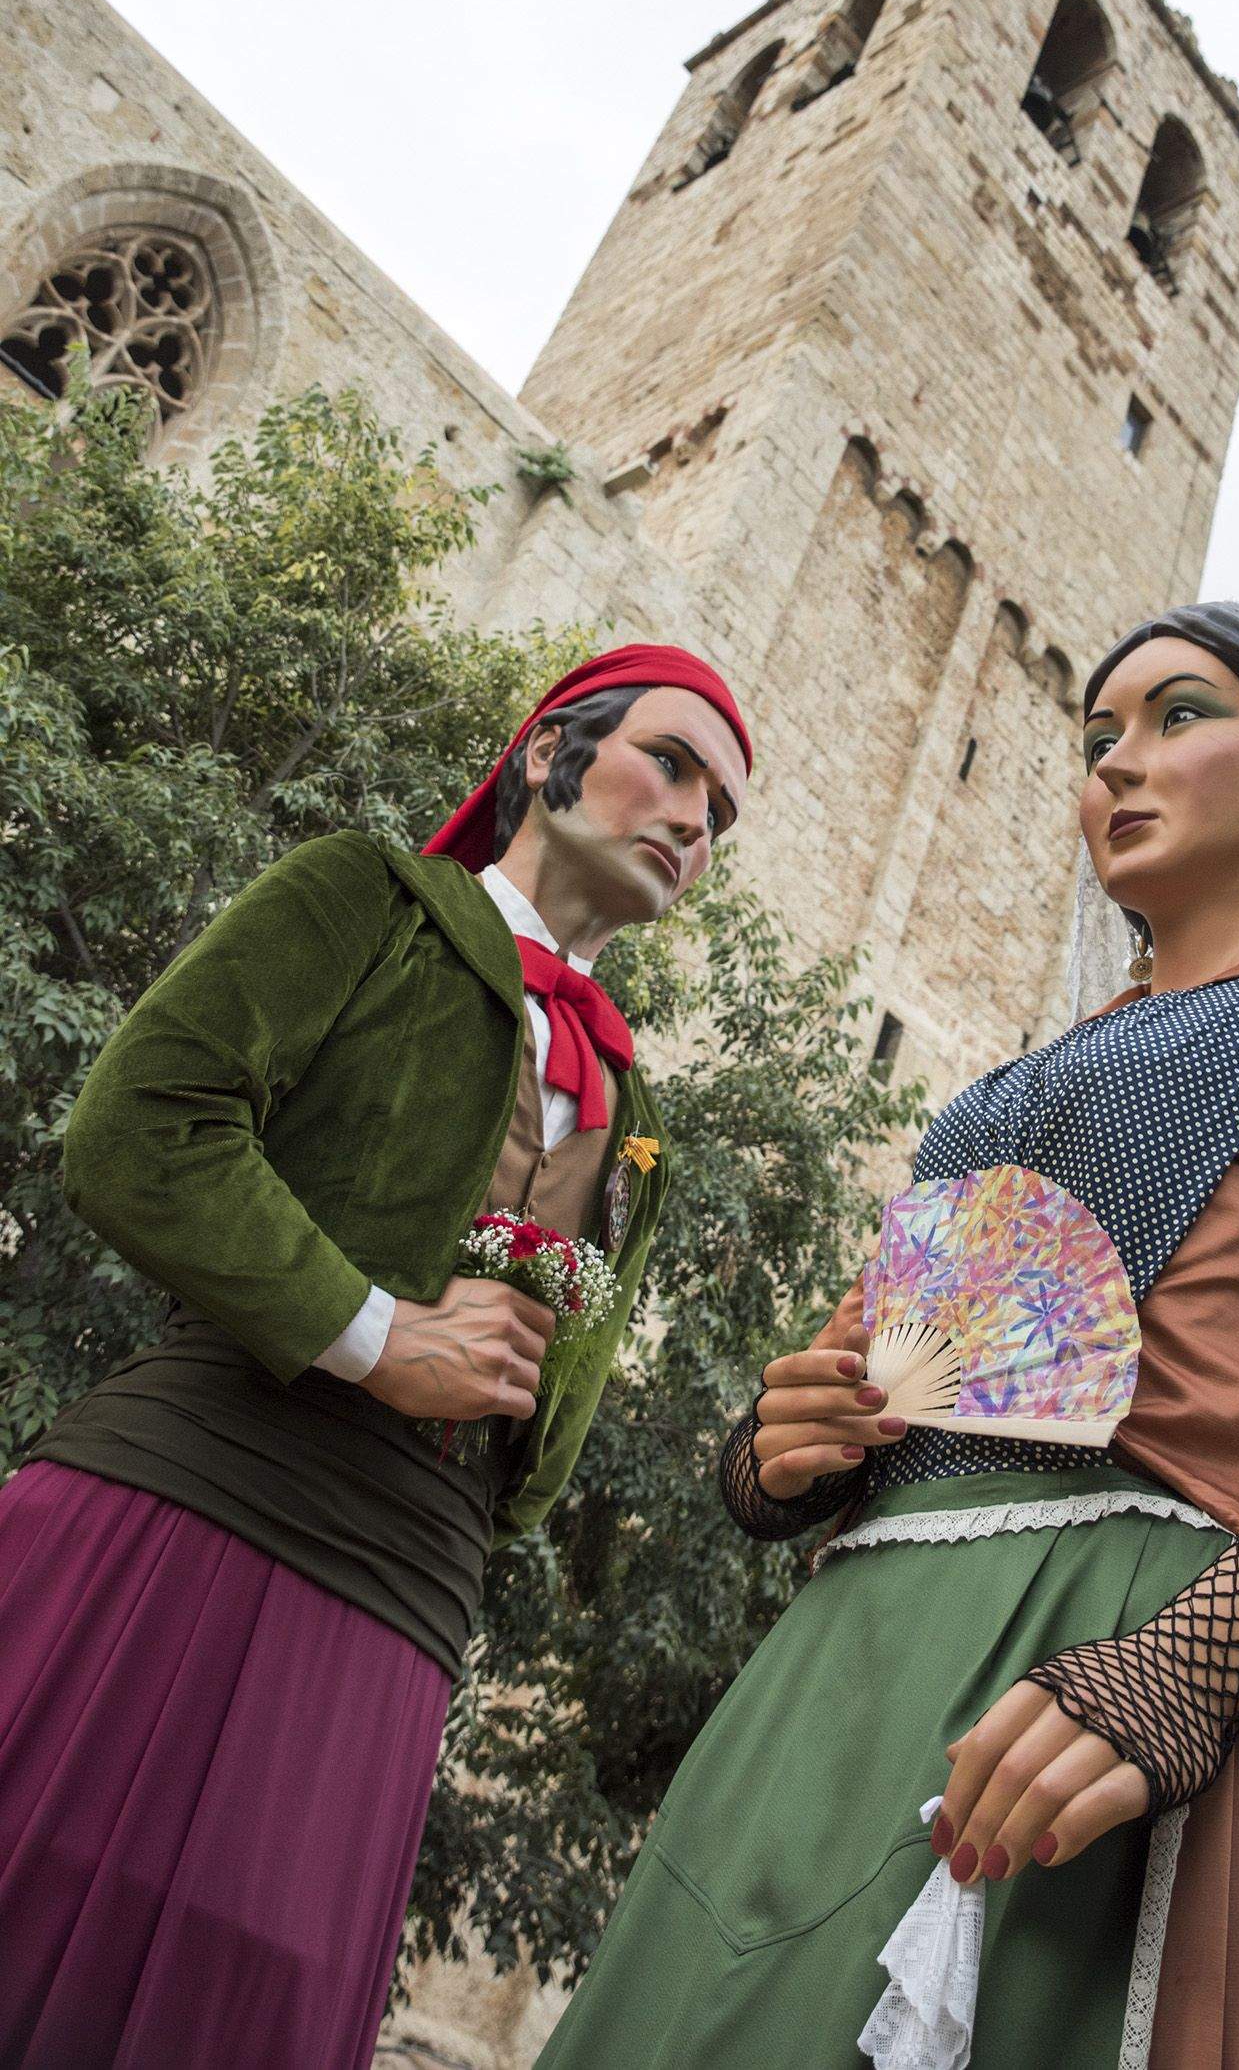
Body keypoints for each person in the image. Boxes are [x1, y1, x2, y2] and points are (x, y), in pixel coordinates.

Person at [533, 604, 1239, 2070]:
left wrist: (1185, 1668)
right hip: (837, 1689)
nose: (1118, 765)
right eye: (1096, 742)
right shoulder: (1004, 1096)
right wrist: (778, 1450)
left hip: (1148, 1667)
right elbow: (860, 1390)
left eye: (1180, 716)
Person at [0, 642, 752, 2070]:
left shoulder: (638, 1112)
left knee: (243, 2021)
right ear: (549, 753)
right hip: (183, 1505)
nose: (694, 818)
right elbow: (139, 1126)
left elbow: (557, 1416)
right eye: (670, 763)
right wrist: (375, 1333)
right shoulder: (366, 899)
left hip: (398, 1609)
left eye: (720, 811)